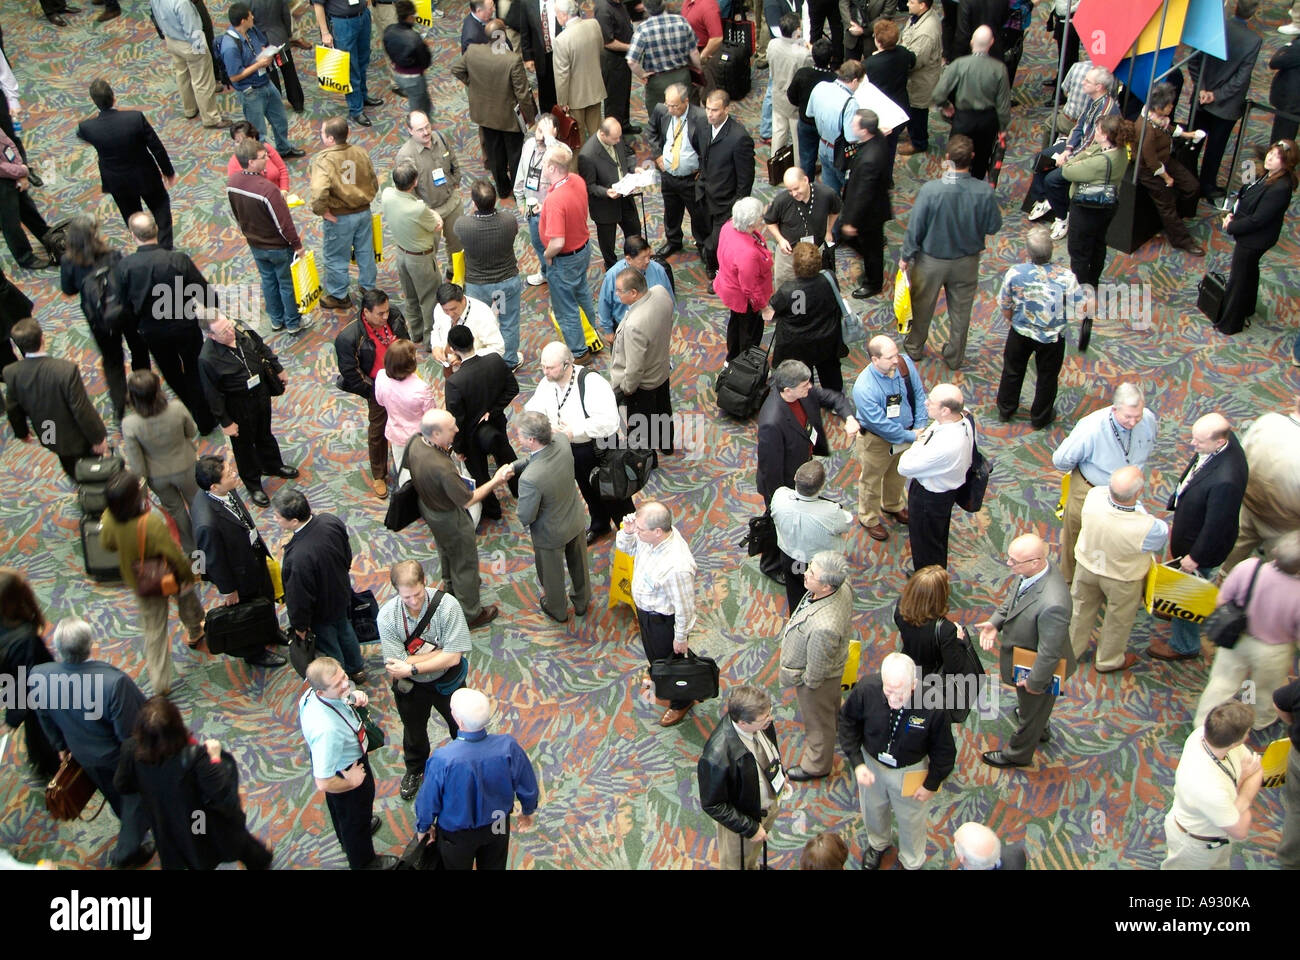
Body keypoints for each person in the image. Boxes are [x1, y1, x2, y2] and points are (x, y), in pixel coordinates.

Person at [31, 618, 155, 868]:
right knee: (135, 798)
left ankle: (132, 831)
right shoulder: (113, 682)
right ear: (90, 645)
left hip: (81, 754)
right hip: (117, 757)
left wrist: (61, 747)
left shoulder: (39, 676)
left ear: (57, 647)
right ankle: (126, 852)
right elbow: (129, 734)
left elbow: (44, 716)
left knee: (114, 794)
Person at [115, 697, 274, 869]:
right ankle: (260, 861)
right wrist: (214, 758)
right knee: (230, 840)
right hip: (201, 820)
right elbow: (224, 797)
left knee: (190, 857)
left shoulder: (131, 750)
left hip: (166, 822)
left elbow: (122, 784)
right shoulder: (195, 759)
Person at [838, 651, 956, 870]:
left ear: (913, 684)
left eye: (899, 694)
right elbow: (847, 722)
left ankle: (911, 861)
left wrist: (931, 784)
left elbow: (945, 751)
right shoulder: (866, 689)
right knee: (872, 809)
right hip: (871, 764)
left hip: (910, 770)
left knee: (911, 819)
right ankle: (878, 844)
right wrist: (857, 762)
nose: (893, 700)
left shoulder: (933, 705)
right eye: (888, 691)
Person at [1152, 413, 1250, 662]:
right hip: (1192, 532)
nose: (1192, 445)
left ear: (1219, 442)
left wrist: (1195, 558)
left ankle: (1184, 644)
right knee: (1183, 586)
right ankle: (1172, 606)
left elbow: (1217, 526)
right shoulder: (1223, 442)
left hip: (1200, 549)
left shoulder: (1226, 480)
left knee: (1189, 592)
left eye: (1199, 442)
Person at [99, 470, 206, 697]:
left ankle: (159, 682)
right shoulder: (150, 523)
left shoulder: (108, 518)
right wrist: (187, 575)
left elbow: (107, 545)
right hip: (169, 576)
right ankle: (196, 632)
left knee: (154, 629)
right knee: (187, 601)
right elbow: (173, 555)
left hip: (140, 581)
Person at [900, 134, 1002, 370]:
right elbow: (994, 226)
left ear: (947, 158)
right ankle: (955, 357)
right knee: (961, 313)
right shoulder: (984, 191)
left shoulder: (931, 190)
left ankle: (915, 347)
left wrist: (906, 256)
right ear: (973, 158)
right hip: (967, 262)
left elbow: (915, 228)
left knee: (922, 306)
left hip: (930, 262)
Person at [407, 410, 513, 628]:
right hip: (449, 517)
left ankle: (450, 586)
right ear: (435, 434)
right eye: (451, 428)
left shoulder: (416, 442)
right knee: (465, 562)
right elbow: (468, 500)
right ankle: (471, 613)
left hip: (429, 508)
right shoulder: (442, 468)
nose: (457, 430)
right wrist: (496, 480)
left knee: (446, 549)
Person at [414, 687, 539, 870]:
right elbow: (527, 784)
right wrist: (527, 811)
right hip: (497, 821)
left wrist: (423, 827)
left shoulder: (443, 759)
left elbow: (428, 800)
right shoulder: (508, 747)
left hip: (457, 833)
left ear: (458, 720)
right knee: (494, 864)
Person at [977, 534, 1074, 769]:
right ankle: (1041, 726)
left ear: (1035, 562)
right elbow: (1013, 601)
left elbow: (1049, 653)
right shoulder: (1031, 574)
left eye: (1014, 561)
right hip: (1025, 657)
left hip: (1039, 669)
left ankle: (1018, 754)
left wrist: (1035, 682)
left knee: (1032, 712)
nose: (1009, 564)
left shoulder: (1054, 604)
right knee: (1034, 709)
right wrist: (995, 623)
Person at [115, 212, 218, 434]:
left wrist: (137, 333)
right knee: (194, 369)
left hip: (153, 332)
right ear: (156, 230)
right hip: (185, 326)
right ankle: (206, 418)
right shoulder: (177, 260)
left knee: (171, 373)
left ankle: (191, 408)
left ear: (133, 235)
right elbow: (207, 294)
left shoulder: (124, 268)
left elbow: (124, 308)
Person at [756, 358, 859, 580]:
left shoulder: (802, 392)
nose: (811, 388)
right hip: (782, 484)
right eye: (805, 385)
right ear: (787, 390)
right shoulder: (771, 422)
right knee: (779, 525)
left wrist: (848, 417)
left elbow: (833, 397)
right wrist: (778, 502)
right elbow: (770, 469)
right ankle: (771, 565)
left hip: (801, 466)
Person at [379, 559, 472, 801]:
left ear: (424, 583)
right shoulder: (387, 616)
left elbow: (453, 658)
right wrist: (440, 654)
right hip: (411, 689)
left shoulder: (447, 606)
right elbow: (394, 665)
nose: (413, 602)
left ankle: (464, 766)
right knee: (413, 731)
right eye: (406, 597)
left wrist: (411, 666)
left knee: (461, 726)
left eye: (417, 594)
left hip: (447, 681)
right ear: (397, 592)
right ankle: (415, 768)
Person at [525, 342, 632, 544]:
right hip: (572, 449)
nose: (544, 372)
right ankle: (600, 525)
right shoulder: (547, 383)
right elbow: (533, 408)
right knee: (588, 490)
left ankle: (630, 534)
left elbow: (609, 422)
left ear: (567, 364)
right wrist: (547, 425)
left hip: (599, 447)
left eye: (550, 367)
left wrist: (574, 430)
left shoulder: (592, 383)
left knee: (615, 494)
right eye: (543, 366)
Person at [1193, 533, 1300, 732]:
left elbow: (1221, 601)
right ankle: (1260, 721)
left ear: (1275, 552)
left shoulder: (1249, 568)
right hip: (1273, 650)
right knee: (1265, 690)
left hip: (1237, 637)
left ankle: (1204, 724)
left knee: (1222, 682)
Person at [1051, 383, 1158, 582]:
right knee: (1077, 536)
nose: (1134, 422)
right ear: (1114, 408)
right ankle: (1068, 580)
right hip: (1090, 490)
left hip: (1128, 493)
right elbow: (1060, 460)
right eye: (1127, 417)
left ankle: (1106, 577)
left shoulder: (1148, 419)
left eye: (1138, 416)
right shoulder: (1091, 427)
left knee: (1116, 538)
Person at [189, 455, 287, 669]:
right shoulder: (207, 522)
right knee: (248, 612)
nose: (234, 473)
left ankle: (271, 631)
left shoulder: (225, 489)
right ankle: (255, 652)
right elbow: (213, 560)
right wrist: (228, 590)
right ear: (214, 486)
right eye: (228, 473)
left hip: (253, 555)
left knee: (266, 595)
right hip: (238, 575)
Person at [300, 657, 398, 869]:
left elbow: (343, 695)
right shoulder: (327, 731)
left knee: (340, 810)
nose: (345, 684)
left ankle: (346, 839)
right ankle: (364, 862)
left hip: (333, 758)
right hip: (345, 768)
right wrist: (351, 782)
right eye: (338, 685)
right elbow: (324, 783)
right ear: (320, 691)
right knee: (356, 817)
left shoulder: (311, 694)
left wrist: (351, 696)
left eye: (343, 676)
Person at [1069, 466, 1169, 674]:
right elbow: (1157, 540)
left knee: (1079, 609)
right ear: (1139, 493)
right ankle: (1108, 660)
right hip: (1122, 578)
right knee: (1118, 620)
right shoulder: (1149, 527)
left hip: (1087, 566)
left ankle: (1071, 650)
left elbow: (1102, 491)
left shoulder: (1094, 497)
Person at [196, 310, 296, 507]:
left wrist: (278, 368)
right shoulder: (207, 359)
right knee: (244, 447)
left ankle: (273, 465)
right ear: (211, 336)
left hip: (260, 393)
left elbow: (261, 347)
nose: (230, 332)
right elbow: (212, 394)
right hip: (237, 405)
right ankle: (254, 485)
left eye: (229, 326)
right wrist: (226, 422)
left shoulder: (240, 327)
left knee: (265, 433)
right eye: (223, 332)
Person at [616, 500, 699, 727]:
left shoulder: (677, 566)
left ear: (658, 531)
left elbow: (685, 606)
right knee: (655, 654)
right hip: (645, 612)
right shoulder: (647, 538)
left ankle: (682, 701)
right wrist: (630, 532)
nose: (637, 531)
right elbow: (626, 548)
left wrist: (681, 636)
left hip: (663, 621)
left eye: (640, 529)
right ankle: (656, 670)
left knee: (673, 660)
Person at [58, 216, 147, 423]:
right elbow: (126, 278)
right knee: (139, 348)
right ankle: (142, 387)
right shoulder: (111, 254)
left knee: (112, 360)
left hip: (99, 320)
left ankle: (119, 406)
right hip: (125, 312)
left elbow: (68, 289)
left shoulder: (68, 262)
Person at [275, 490, 369, 684]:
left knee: (329, 643)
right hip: (341, 591)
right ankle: (357, 668)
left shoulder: (297, 558)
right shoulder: (330, 521)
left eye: (278, 516)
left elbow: (298, 597)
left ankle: (340, 677)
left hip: (321, 609)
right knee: (345, 628)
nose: (275, 519)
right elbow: (347, 553)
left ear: (293, 521)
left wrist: (300, 626)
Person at [994, 225, 1084, 429]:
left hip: (1020, 332)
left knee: (1012, 370)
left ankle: (1005, 410)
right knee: (1047, 377)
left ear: (1028, 251)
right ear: (1052, 249)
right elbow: (1079, 307)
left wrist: (1014, 322)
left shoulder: (1015, 273)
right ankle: (1040, 417)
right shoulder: (1066, 277)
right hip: (1052, 338)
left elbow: (1005, 305)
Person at [75, 79, 177, 251]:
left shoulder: (87, 127)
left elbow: (83, 137)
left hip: (117, 181)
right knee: (161, 209)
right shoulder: (135, 118)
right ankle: (165, 249)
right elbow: (156, 147)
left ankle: (143, 248)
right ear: (114, 97)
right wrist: (168, 172)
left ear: (94, 102)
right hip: (145, 175)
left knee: (132, 215)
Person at [2, 318, 108, 481]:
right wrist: (98, 438)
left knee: (66, 461)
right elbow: (81, 410)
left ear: (18, 345)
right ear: (43, 338)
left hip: (48, 432)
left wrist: (22, 433)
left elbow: (12, 407)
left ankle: (78, 482)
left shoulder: (11, 372)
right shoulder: (65, 370)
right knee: (93, 468)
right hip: (77, 436)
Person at [511, 411, 593, 623]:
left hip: (550, 533)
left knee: (552, 575)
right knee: (580, 565)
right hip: (575, 520)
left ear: (531, 440)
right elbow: (537, 457)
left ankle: (557, 609)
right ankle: (582, 601)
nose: (516, 438)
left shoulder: (530, 479)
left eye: (519, 435)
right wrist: (514, 466)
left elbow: (526, 515)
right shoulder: (563, 441)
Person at [1161, 701, 1262, 869]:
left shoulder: (1203, 734)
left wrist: (1238, 799)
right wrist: (1244, 792)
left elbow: (1258, 771)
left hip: (1216, 837)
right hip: (1195, 845)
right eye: (1247, 732)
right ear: (1236, 741)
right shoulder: (1210, 788)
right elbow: (1240, 830)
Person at [779, 551, 853, 781]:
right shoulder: (843, 585)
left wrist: (808, 685)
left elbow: (817, 670)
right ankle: (839, 721)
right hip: (834, 664)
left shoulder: (824, 627)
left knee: (818, 721)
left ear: (827, 587)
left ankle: (817, 764)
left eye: (812, 574)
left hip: (818, 678)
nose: (805, 574)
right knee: (830, 707)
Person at [697, 684, 786, 869]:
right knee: (736, 864)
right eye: (764, 718)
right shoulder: (716, 755)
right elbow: (712, 804)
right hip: (743, 823)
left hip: (767, 806)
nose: (770, 719)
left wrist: (780, 774)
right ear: (742, 723)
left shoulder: (761, 722)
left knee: (751, 856)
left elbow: (769, 752)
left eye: (769, 713)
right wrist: (750, 828)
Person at [334, 290, 412, 499]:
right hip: (377, 387)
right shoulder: (348, 338)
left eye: (386, 311)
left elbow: (406, 341)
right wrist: (374, 391)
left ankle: (412, 463)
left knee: (412, 420)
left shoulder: (394, 315)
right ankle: (379, 474)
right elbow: (351, 373)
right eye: (380, 314)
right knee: (378, 430)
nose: (385, 317)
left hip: (404, 379)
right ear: (365, 312)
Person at [1217, 139, 1299, 336]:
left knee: (1238, 279)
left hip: (1255, 239)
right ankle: (1247, 308)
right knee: (1249, 272)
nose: (1269, 157)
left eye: (1276, 156)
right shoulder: (1271, 176)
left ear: (1286, 163)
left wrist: (1231, 226)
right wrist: (1233, 214)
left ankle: (1230, 324)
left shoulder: (1280, 188)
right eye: (1270, 153)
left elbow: (1258, 220)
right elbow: (1249, 195)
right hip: (1254, 234)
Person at [227, 137, 308, 335]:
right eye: (263, 157)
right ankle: (292, 322)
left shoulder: (232, 183)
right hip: (278, 247)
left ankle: (276, 320)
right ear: (251, 162)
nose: (267, 160)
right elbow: (284, 224)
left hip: (255, 244)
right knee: (286, 283)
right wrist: (297, 245)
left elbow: (236, 214)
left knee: (268, 280)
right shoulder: (267, 189)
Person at [1024, 65, 1118, 235]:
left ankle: (1062, 217)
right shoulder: (1092, 99)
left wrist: (1069, 157)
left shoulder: (1107, 110)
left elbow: (1092, 142)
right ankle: (1043, 199)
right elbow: (1079, 125)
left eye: (1087, 81)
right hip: (1077, 146)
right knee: (1041, 159)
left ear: (1099, 87)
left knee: (1052, 180)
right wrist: (1067, 149)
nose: (1082, 83)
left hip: (1089, 154)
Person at [852, 334, 927, 543]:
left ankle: (892, 505)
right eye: (890, 357)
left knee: (899, 473)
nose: (896, 360)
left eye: (896, 354)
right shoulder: (864, 388)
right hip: (877, 441)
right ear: (875, 360)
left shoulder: (904, 363)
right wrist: (911, 436)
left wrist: (920, 425)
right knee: (871, 480)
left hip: (909, 432)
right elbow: (880, 425)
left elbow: (919, 395)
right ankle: (868, 518)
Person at [453, 19, 537, 197]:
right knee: (515, 156)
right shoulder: (512, 60)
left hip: (485, 116)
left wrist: (473, 85)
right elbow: (522, 94)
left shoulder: (473, 51)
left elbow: (456, 69)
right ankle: (516, 190)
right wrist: (530, 118)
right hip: (509, 118)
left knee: (495, 154)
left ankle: (502, 189)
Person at [444, 325, 520, 522]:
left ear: (452, 349)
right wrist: (493, 411)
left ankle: (493, 511)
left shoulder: (454, 382)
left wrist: (457, 447)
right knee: (506, 455)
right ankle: (519, 490)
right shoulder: (495, 360)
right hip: (496, 423)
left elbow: (456, 420)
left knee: (480, 474)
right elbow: (513, 388)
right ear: (472, 340)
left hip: (471, 438)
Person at [1189, 0, 1262, 202]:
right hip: (1225, 106)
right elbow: (1241, 78)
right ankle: (1206, 185)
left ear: (1233, 5)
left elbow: (1193, 60)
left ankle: (1187, 178)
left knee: (1192, 141)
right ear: (1255, 12)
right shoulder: (1253, 40)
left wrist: (1202, 88)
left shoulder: (1213, 28)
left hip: (1200, 99)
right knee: (1216, 147)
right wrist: (1217, 95)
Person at [121, 370, 199, 554]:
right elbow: (192, 431)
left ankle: (191, 549)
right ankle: (207, 539)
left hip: (158, 476)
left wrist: (143, 485)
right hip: (186, 466)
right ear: (158, 390)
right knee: (197, 503)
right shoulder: (177, 408)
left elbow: (136, 461)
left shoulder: (130, 423)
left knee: (176, 511)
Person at [897, 384, 971, 571]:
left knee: (925, 545)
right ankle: (936, 577)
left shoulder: (946, 445)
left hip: (929, 499)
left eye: (931, 401)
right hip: (945, 492)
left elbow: (904, 466)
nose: (926, 402)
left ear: (945, 410)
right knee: (937, 538)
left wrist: (918, 442)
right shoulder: (963, 418)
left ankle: (928, 586)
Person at [538, 143, 600, 364]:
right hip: (582, 250)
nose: (543, 166)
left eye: (545, 162)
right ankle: (592, 334)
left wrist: (547, 254)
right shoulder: (576, 180)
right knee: (581, 291)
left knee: (566, 308)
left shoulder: (555, 200)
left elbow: (557, 241)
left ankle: (579, 351)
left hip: (564, 259)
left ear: (553, 168)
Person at [218, 4, 304, 161]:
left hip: (266, 82)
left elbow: (262, 43)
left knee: (280, 120)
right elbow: (235, 77)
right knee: (259, 132)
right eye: (251, 16)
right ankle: (265, 160)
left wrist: (267, 52)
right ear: (243, 20)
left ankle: (284, 149)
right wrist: (258, 64)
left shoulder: (251, 30)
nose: (253, 17)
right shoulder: (229, 47)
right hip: (250, 92)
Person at [310, 118, 380, 310]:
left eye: (323, 133)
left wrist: (321, 211)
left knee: (335, 257)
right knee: (365, 251)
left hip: (339, 217)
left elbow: (318, 192)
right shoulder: (360, 152)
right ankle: (368, 288)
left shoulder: (324, 160)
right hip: (363, 211)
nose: (321, 135)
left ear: (330, 139)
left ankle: (339, 295)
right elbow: (374, 181)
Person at [1225, 396, 1300, 570]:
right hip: (1283, 526)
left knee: (1235, 550)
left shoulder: (1267, 422)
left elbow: (1240, 459)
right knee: (1278, 568)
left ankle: (1224, 580)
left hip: (1248, 507)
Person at [456, 179, 524, 369]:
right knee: (508, 322)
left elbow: (458, 237)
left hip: (477, 287)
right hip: (505, 283)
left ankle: (481, 362)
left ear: (475, 203)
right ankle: (509, 361)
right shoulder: (509, 220)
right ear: (495, 201)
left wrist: (473, 214)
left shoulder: (463, 225)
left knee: (477, 323)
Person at [1133, 83, 1205, 257]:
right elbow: (1151, 161)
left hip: (1164, 158)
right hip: (1149, 170)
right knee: (1166, 204)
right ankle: (1180, 239)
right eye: (1169, 105)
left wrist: (1188, 135)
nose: (1172, 107)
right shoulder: (1146, 130)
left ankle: (1177, 219)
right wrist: (1167, 178)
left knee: (1192, 186)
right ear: (1157, 108)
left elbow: (1168, 128)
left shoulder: (1158, 119)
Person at [0, 569, 58, 782]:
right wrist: (14, 716)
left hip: (18, 684)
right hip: (36, 691)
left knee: (37, 730)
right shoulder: (25, 638)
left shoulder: (19, 635)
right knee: (44, 727)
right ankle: (50, 767)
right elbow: (27, 683)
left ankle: (44, 764)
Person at [396, 111, 465, 290]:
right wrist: (425, 211)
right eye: (420, 130)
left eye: (427, 126)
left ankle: (456, 276)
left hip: (452, 203)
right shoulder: (405, 156)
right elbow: (407, 193)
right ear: (410, 130)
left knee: (457, 245)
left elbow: (453, 160)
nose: (426, 132)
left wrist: (456, 179)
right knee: (428, 254)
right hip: (428, 212)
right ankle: (433, 288)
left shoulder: (439, 138)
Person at [608, 267, 674, 455]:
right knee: (663, 410)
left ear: (634, 293)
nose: (617, 294)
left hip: (643, 383)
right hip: (661, 369)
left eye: (620, 290)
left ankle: (647, 462)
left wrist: (627, 389)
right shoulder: (661, 292)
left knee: (641, 427)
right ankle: (667, 446)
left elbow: (634, 367)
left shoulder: (634, 325)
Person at [929, 26, 1009, 180]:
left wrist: (946, 106)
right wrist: (1003, 128)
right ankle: (975, 191)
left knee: (955, 158)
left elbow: (938, 93)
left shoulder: (959, 64)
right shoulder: (999, 69)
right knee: (981, 161)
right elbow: (1003, 104)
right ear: (991, 42)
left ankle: (950, 187)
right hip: (988, 122)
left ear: (972, 42)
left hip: (963, 119)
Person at [771, 460, 853, 611]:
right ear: (822, 486)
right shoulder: (832, 512)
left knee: (794, 588)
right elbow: (846, 524)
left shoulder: (779, 496)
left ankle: (797, 613)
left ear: (795, 477)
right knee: (823, 594)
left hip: (789, 555)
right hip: (817, 565)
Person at [768, 242, 846, 392]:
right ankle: (835, 399)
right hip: (827, 338)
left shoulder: (787, 290)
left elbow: (774, 311)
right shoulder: (830, 279)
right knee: (830, 371)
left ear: (795, 265)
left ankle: (807, 399)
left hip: (798, 344)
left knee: (802, 377)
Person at [1060, 114, 1131, 275]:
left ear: (1105, 136)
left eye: (1098, 130)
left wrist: (1079, 157)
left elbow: (1067, 170)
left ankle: (1080, 285)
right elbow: (1091, 150)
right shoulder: (1120, 150)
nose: (1095, 132)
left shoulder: (1100, 162)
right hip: (1109, 205)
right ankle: (1093, 279)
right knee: (1098, 242)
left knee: (1078, 249)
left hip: (1087, 209)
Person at [647, 83, 709, 258]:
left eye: (675, 106)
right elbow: (651, 132)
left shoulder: (701, 117)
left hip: (691, 178)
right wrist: (658, 155)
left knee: (698, 215)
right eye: (668, 104)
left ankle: (703, 245)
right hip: (668, 175)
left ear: (686, 101)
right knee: (671, 211)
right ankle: (673, 241)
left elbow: (710, 146)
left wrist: (703, 170)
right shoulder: (661, 110)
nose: (670, 109)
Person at [699, 90, 756, 277]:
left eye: (714, 110)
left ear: (726, 109)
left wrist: (736, 207)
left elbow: (745, 178)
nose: (709, 113)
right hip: (706, 194)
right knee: (703, 233)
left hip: (727, 202)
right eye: (707, 108)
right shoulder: (705, 126)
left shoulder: (739, 138)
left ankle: (716, 271)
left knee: (716, 243)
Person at [839, 108, 892, 299]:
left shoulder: (870, 159)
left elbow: (863, 194)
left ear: (864, 131)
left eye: (855, 123)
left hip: (869, 213)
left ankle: (873, 284)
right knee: (864, 242)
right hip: (873, 206)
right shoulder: (877, 137)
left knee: (872, 250)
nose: (852, 125)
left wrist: (851, 221)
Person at [579, 119, 644, 273]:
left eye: (619, 137)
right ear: (602, 134)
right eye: (615, 138)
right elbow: (589, 186)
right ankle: (612, 270)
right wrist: (606, 192)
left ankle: (636, 264)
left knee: (634, 231)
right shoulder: (587, 155)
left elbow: (624, 159)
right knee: (608, 243)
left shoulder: (616, 137)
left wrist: (633, 169)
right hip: (605, 207)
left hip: (625, 197)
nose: (619, 141)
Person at [713, 196, 774, 361]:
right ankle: (744, 365)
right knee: (750, 332)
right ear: (751, 225)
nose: (762, 219)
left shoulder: (728, 226)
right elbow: (750, 288)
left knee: (736, 324)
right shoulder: (747, 254)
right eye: (760, 217)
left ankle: (732, 357)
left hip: (730, 286)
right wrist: (764, 308)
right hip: (744, 298)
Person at [150, 0, 225, 129]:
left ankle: (190, 109)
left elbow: (155, 16)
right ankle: (210, 118)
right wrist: (201, 50)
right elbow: (192, 31)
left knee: (182, 74)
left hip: (171, 40)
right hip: (189, 44)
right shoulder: (182, 3)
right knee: (202, 81)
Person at [764, 167, 840, 288]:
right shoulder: (782, 201)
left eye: (796, 188)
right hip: (789, 253)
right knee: (785, 284)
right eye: (790, 190)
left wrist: (828, 230)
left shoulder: (826, 194)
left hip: (814, 251)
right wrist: (780, 240)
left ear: (805, 180)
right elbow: (769, 221)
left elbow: (835, 211)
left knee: (814, 283)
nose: (794, 194)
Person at [625, 0, 702, 118]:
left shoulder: (643, 29)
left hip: (657, 82)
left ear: (645, 8)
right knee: (685, 116)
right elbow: (694, 53)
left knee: (659, 119)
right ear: (663, 4)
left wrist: (642, 75)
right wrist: (698, 70)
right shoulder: (681, 21)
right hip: (682, 76)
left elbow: (631, 61)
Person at [310, 0, 382, 126]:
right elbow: (318, 4)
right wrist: (325, 32)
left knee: (363, 60)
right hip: (342, 22)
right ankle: (356, 109)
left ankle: (363, 96)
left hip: (362, 15)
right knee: (350, 66)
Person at [893, 564, 971, 680]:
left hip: (908, 665)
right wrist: (959, 641)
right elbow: (953, 668)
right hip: (930, 678)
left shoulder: (901, 605)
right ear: (939, 596)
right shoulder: (945, 629)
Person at [0, 123, 57, 271]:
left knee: (27, 207)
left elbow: (9, 143)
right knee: (10, 221)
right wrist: (21, 171)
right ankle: (25, 257)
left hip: (12, 172)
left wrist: (21, 169)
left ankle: (47, 237)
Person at [374, 339, 436, 466]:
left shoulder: (380, 376)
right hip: (418, 438)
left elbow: (380, 401)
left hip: (395, 433)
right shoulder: (421, 388)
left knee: (402, 471)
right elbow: (431, 416)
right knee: (421, 471)